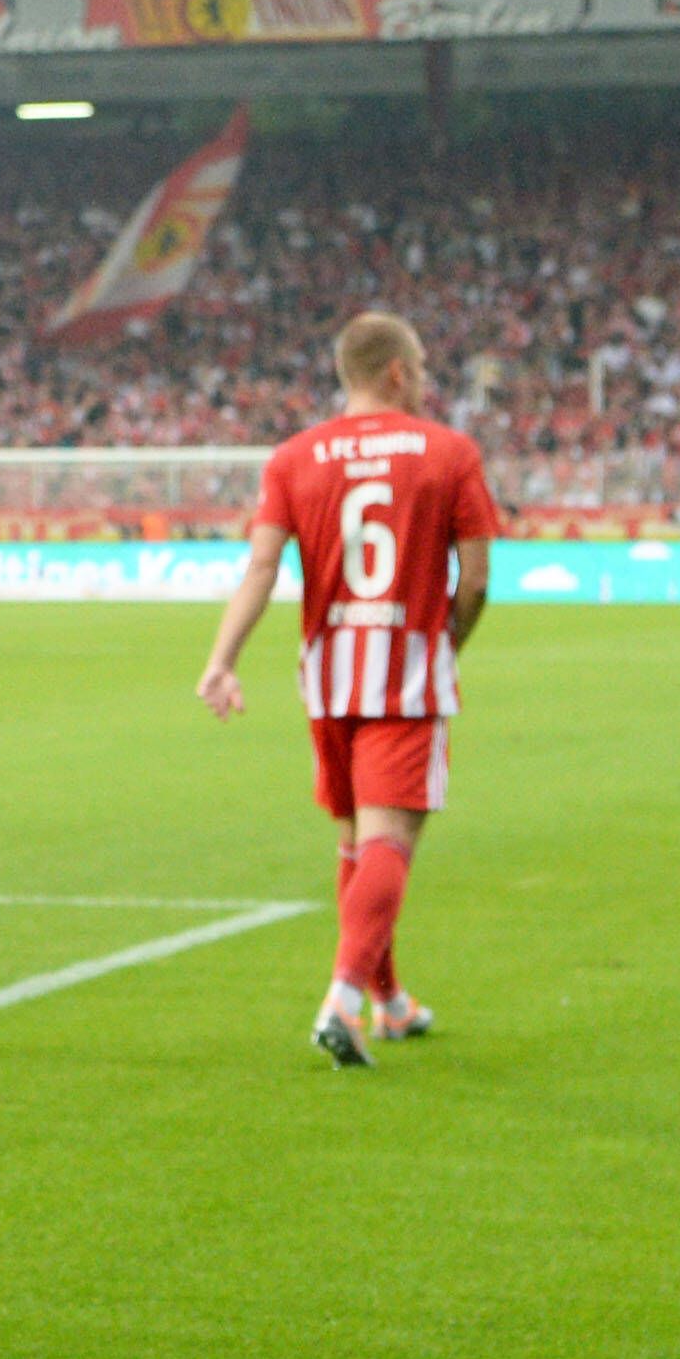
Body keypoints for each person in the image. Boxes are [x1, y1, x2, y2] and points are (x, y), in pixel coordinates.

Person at [197, 310, 497, 1065]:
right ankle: (345, 997)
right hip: (405, 679)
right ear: (397, 371)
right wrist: (445, 641)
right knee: (390, 843)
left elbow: (262, 567)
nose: (426, 379)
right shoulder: (449, 452)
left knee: (355, 846)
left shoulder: (297, 456)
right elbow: (479, 577)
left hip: (329, 679)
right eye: (422, 365)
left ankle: (391, 1001)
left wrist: (222, 658)